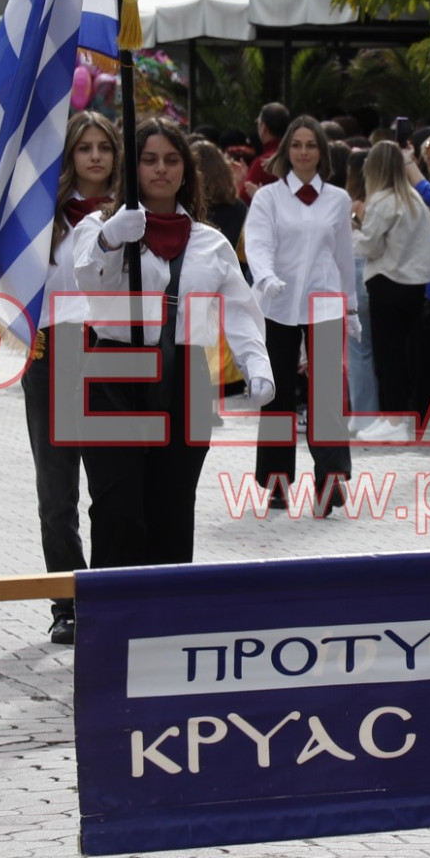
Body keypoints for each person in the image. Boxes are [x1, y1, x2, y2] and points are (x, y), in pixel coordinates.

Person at [73, 119, 273, 562]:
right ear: (132, 168)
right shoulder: (98, 227)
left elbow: (239, 311)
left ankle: (167, 619)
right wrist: (110, 241)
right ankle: (114, 616)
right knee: (118, 506)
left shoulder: (211, 243)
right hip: (115, 373)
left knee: (172, 506)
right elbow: (88, 282)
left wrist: (256, 363)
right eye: (148, 160)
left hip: (186, 377)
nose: (160, 169)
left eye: (171, 159)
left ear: (187, 169)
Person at [27, 111, 116, 644]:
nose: (96, 157)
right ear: (70, 156)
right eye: (84, 148)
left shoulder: (130, 212)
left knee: (111, 484)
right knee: (57, 488)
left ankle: (110, 592)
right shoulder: (43, 216)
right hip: (53, 349)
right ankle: (67, 601)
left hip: (113, 351)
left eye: (104, 146)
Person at [242, 115, 359, 516]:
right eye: (297, 144)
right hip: (278, 303)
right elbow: (257, 243)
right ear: (286, 150)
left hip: (324, 301)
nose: (304, 152)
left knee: (326, 395)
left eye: (311, 145)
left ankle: (332, 481)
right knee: (277, 396)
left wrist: (352, 305)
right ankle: (276, 482)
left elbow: (345, 257)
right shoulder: (268, 198)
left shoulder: (338, 200)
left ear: (322, 152)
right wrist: (267, 276)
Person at [354, 139, 430, 435]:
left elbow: (370, 246)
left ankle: (393, 420)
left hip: (386, 283)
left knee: (388, 355)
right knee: (408, 354)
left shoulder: (382, 201)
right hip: (416, 285)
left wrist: (353, 231)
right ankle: (400, 418)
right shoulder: (415, 200)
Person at [241, 101, 290, 196]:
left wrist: (241, 180)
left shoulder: (264, 163)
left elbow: (241, 199)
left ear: (263, 127)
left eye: (258, 123)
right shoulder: (294, 156)